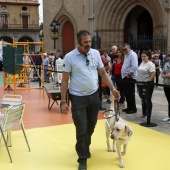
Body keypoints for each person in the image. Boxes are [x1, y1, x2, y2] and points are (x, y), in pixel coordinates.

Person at [60, 30, 120, 170]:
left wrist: (113, 88)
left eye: (89, 41)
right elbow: (64, 80)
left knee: (91, 125)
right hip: (78, 97)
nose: (88, 44)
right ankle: (82, 158)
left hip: (94, 95)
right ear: (78, 42)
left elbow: (103, 73)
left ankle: (83, 146)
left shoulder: (95, 53)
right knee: (81, 127)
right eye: (85, 42)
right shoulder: (69, 57)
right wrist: (63, 102)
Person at [136, 51, 155, 118]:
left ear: (148, 56)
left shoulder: (150, 64)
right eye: (142, 56)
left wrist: (148, 81)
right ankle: (144, 113)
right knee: (142, 99)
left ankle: (148, 114)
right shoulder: (142, 63)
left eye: (144, 56)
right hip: (140, 83)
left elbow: (153, 74)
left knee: (147, 99)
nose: (143, 57)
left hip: (147, 84)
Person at [121, 43, 138, 114]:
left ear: (129, 48)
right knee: (126, 93)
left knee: (130, 93)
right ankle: (129, 106)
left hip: (130, 77)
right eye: (123, 49)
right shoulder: (126, 55)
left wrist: (130, 74)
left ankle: (133, 108)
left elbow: (134, 66)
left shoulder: (132, 54)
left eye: (125, 49)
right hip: (125, 76)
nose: (124, 50)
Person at [161, 54, 170, 123]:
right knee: (169, 101)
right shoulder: (166, 64)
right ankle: (169, 116)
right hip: (166, 85)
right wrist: (166, 76)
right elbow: (162, 74)